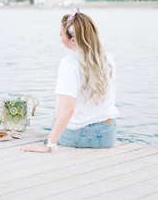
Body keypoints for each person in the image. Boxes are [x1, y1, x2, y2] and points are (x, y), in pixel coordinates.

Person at [22, 9, 119, 152]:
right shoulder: (107, 59)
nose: (60, 38)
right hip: (107, 136)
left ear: (73, 40)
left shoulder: (69, 63)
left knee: (59, 115)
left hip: (77, 136)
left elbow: (68, 109)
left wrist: (49, 144)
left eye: (61, 34)